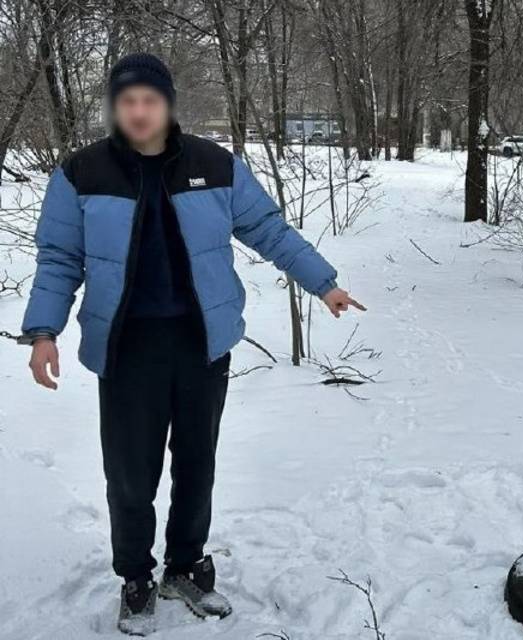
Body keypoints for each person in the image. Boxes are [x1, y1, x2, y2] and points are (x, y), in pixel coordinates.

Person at [18, 53, 365, 636]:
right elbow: (59, 259)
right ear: (115, 107)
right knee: (130, 472)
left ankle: (185, 566)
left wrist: (323, 282)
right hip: (126, 348)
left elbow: (268, 230)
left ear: (167, 104)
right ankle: (135, 576)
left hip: (201, 344)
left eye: (149, 100)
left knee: (196, 464)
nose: (138, 111)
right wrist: (44, 332)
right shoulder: (83, 172)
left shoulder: (214, 165)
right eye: (127, 101)